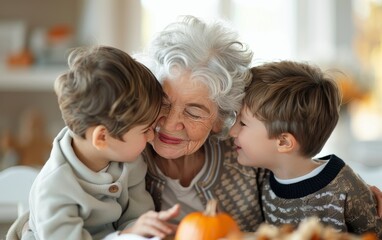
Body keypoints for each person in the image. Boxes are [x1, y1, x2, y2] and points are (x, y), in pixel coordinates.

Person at [136, 15, 382, 233]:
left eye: (193, 112)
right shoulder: (126, 152)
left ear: (221, 117)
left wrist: (356, 196)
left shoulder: (245, 155)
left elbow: (295, 163)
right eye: (164, 102)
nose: (170, 123)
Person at [14, 45, 179, 240]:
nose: (152, 137)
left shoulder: (129, 162)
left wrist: (147, 228)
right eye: (145, 130)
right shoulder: (55, 188)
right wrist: (125, 235)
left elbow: (136, 219)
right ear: (102, 138)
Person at [229, 60, 382, 237]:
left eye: (242, 123)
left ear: (284, 142)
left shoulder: (346, 185)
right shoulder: (260, 178)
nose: (232, 132)